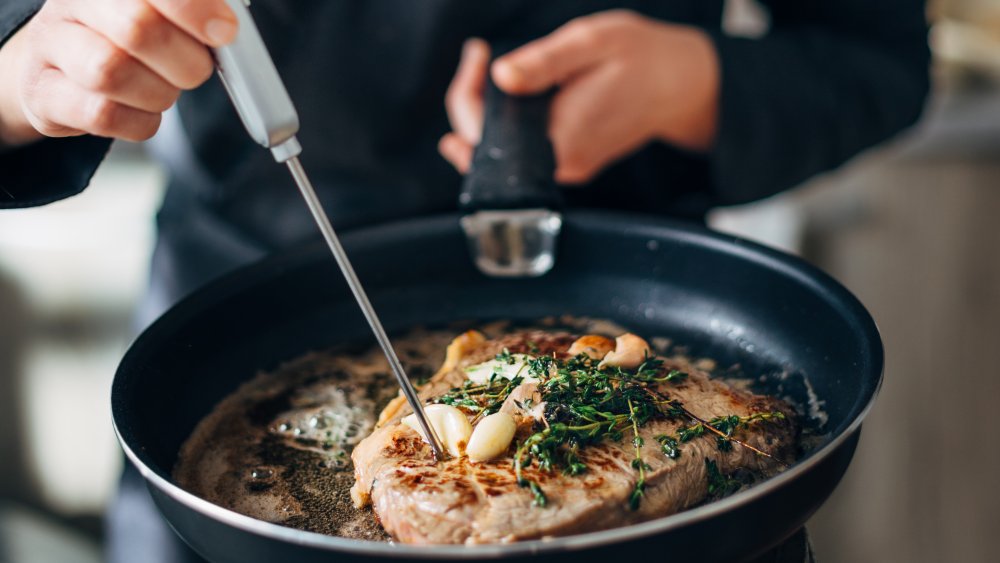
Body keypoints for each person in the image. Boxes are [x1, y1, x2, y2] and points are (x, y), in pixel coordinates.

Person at [0, 0, 929, 561]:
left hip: (637, 272)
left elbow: (879, 59)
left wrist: (700, 79)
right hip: (247, 296)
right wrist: (22, 75)